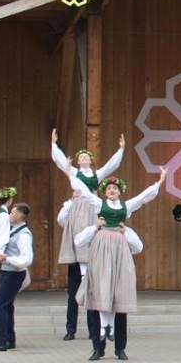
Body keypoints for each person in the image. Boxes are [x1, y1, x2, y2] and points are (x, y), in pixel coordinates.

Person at [71, 167, 166, 361]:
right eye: (109, 188)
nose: (112, 190)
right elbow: (84, 192)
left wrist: (160, 181)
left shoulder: (126, 206)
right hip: (101, 249)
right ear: (105, 192)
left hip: (119, 250)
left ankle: (120, 347)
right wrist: (69, 173)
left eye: (115, 188)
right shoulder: (98, 204)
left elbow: (143, 198)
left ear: (120, 191)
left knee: (119, 298)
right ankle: (98, 347)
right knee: (99, 296)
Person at [51, 129, 125, 341]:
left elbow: (111, 166)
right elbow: (60, 163)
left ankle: (99, 329)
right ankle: (71, 328)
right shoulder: (75, 177)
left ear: (91, 160)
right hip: (78, 214)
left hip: (91, 212)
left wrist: (121, 149)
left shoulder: (97, 177)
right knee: (73, 291)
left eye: (86, 156)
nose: (83, 158)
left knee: (94, 290)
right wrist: (54, 145)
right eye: (81, 156)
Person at [0, 203, 34, 351]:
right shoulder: (12, 230)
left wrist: (7, 259)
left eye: (12, 213)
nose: (9, 215)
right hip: (8, 271)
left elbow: (26, 259)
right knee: (7, 305)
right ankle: (9, 340)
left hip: (14, 273)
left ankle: (0, 341)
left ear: (19, 216)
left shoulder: (23, 235)